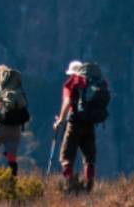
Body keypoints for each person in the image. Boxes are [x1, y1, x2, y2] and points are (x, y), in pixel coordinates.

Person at [53, 60, 97, 192]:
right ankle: (89, 185)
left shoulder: (71, 83)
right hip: (89, 123)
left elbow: (67, 102)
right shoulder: (91, 83)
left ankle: (70, 185)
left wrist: (60, 121)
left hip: (74, 123)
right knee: (89, 157)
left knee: (66, 156)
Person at [0, 65, 30, 176]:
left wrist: (0, 104)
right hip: (16, 129)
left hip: (2, 126)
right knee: (11, 157)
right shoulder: (17, 89)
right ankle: (12, 182)